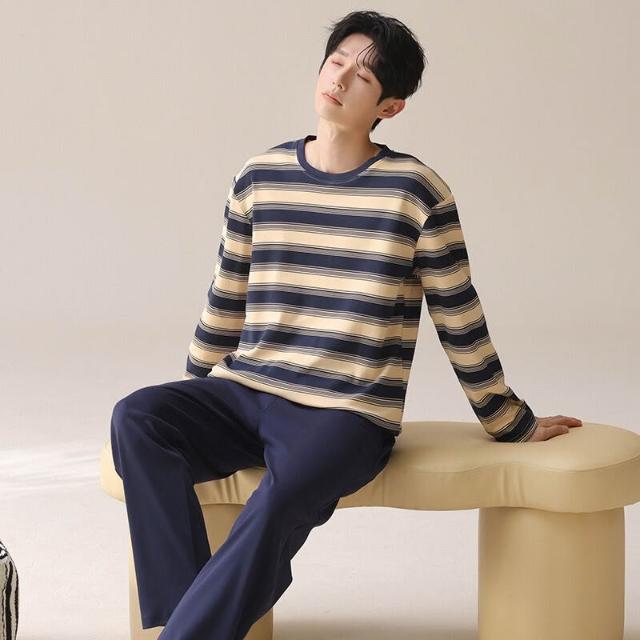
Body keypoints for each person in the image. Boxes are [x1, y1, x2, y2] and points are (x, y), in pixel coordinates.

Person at [110, 9, 583, 640]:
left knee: (279, 502)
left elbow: (458, 315)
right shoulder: (259, 176)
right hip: (249, 390)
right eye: (336, 62)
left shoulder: (415, 192)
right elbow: (225, 298)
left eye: (362, 76)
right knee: (137, 418)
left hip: (348, 414)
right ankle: (190, 616)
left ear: (390, 106)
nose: (339, 78)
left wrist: (509, 420)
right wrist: (194, 395)